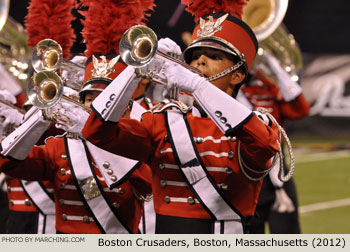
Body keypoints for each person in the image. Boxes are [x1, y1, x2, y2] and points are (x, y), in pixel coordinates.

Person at [81, 1, 284, 234]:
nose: (200, 62)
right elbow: (96, 132)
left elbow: (265, 144)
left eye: (214, 56)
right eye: (195, 56)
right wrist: (135, 69)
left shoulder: (257, 124)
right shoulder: (163, 121)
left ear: (237, 75)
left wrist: (198, 86)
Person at [237, 51, 310, 233]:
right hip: (248, 180)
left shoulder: (269, 90)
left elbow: (301, 109)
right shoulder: (235, 95)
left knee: (288, 237)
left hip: (280, 176)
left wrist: (275, 70)